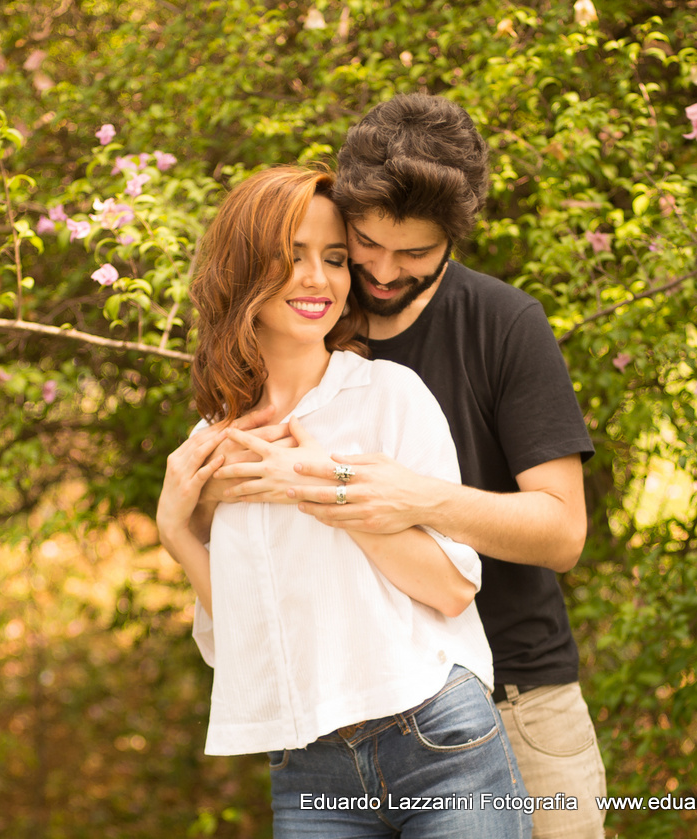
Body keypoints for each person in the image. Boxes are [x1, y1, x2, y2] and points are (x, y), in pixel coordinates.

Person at [194, 94, 609, 839]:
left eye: (413, 254)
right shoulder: (306, 326)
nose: (382, 271)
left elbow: (561, 530)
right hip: (346, 716)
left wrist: (407, 496)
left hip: (516, 697)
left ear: (452, 238)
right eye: (364, 245)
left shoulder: (504, 324)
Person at [156, 165, 531, 838]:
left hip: (435, 736)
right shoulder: (215, 442)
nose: (318, 279)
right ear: (245, 269)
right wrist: (176, 532)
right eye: (291, 256)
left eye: (334, 259)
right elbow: (245, 642)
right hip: (309, 770)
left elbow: (450, 588)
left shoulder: (390, 395)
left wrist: (318, 487)